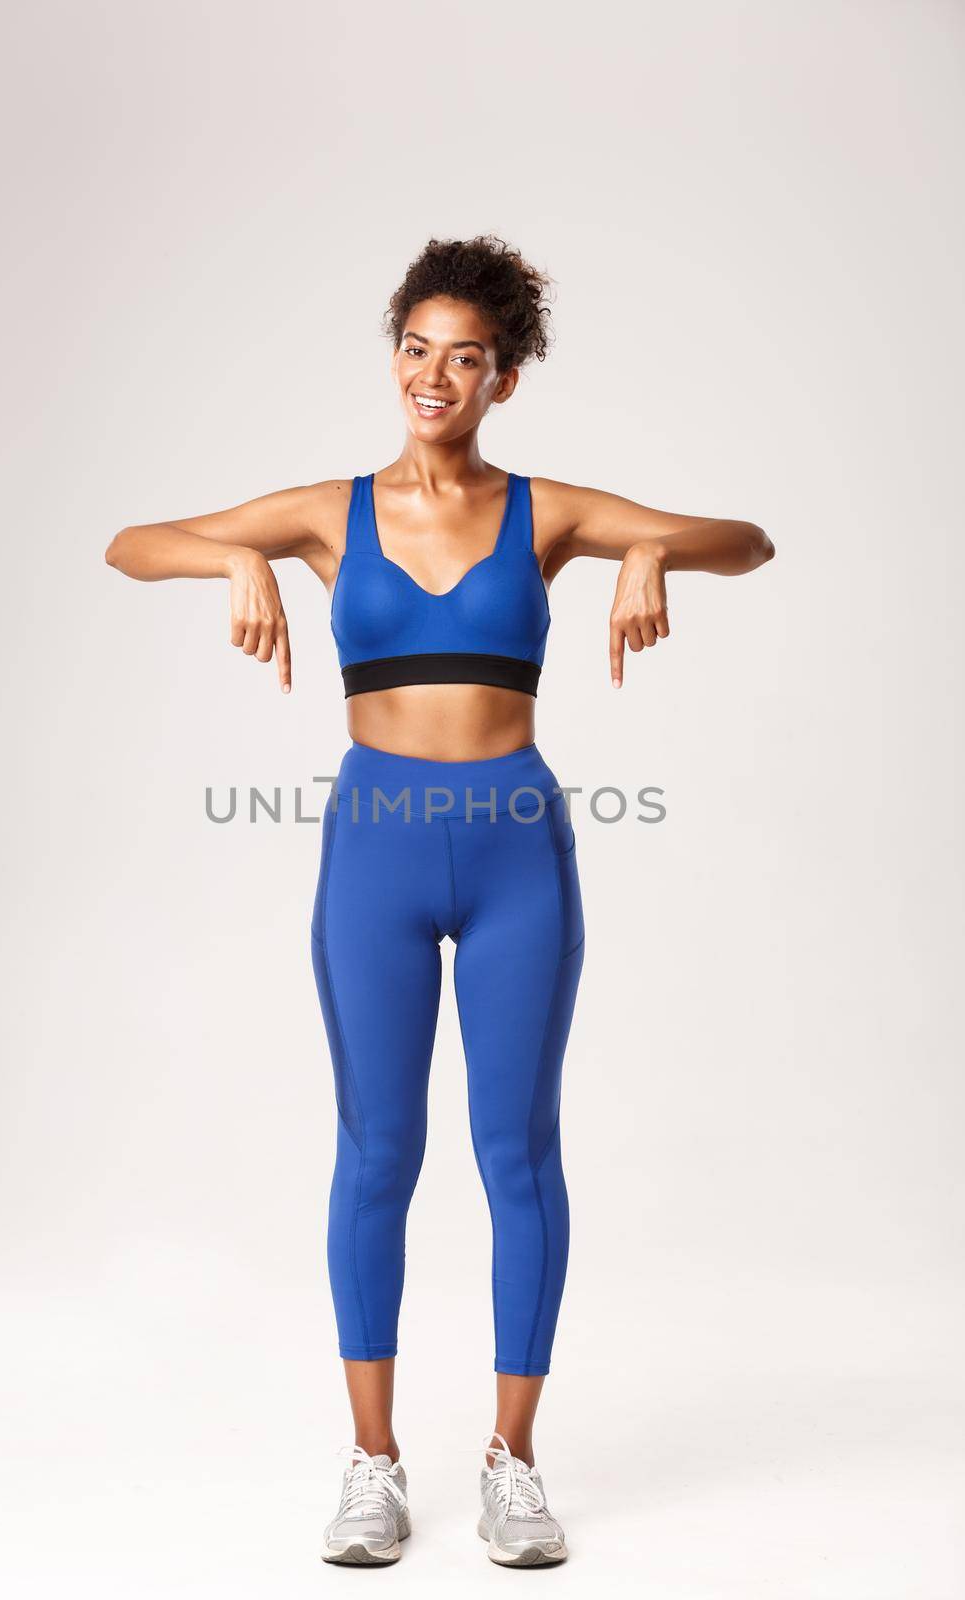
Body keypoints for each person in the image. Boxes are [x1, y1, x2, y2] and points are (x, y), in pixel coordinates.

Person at [105, 234, 775, 1567]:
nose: (434, 374)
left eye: (465, 357)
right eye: (417, 348)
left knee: (516, 1152)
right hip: (378, 842)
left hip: (518, 838)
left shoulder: (548, 511)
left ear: (501, 381)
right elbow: (129, 544)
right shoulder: (327, 511)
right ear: (396, 357)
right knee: (378, 1151)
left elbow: (749, 540)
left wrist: (653, 554)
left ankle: (514, 1467)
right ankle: (372, 1465)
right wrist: (231, 560)